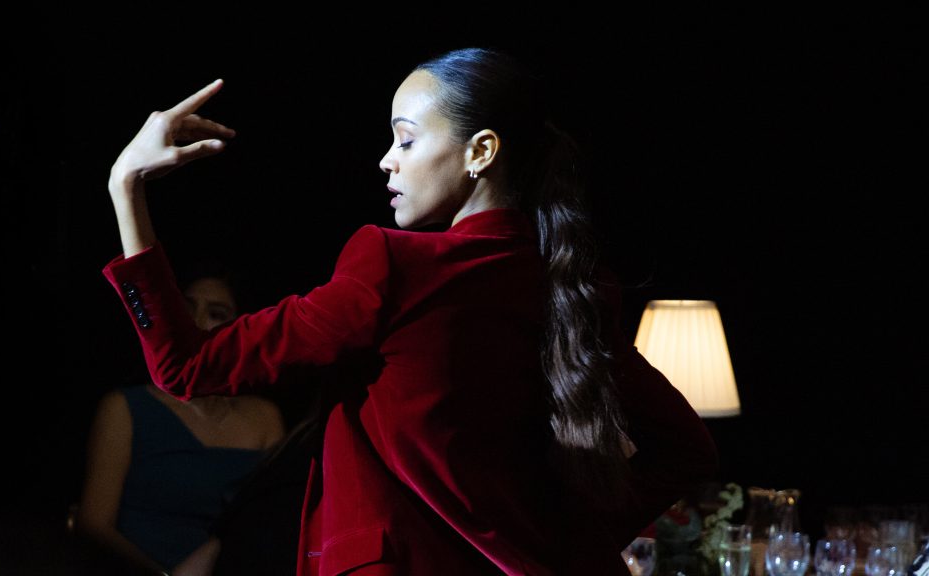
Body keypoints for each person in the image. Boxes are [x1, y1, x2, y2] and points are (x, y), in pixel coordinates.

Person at [100, 47, 719, 574]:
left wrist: (126, 186)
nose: (385, 159)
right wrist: (571, 542)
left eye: (406, 138)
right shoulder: (573, 286)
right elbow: (687, 448)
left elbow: (187, 366)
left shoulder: (394, 265)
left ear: (481, 151)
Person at [76, 270, 286, 575]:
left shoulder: (265, 418)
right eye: (186, 308)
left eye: (216, 313)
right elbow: (93, 523)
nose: (197, 321)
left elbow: (269, 523)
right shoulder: (125, 407)